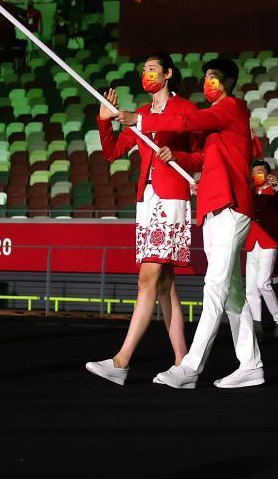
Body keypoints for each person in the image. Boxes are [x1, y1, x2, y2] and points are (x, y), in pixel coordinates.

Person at [113, 57, 262, 389]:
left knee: (214, 288)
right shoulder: (216, 127)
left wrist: (139, 118)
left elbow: (186, 121)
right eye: (206, 77)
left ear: (230, 82)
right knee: (233, 293)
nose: (208, 82)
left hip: (231, 207)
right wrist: (188, 169)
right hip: (213, 207)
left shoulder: (231, 108)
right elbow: (209, 163)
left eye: (215, 78)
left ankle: (190, 366)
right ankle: (251, 364)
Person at [85, 53, 202, 385]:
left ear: (168, 74)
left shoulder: (186, 111)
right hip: (147, 200)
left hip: (173, 198)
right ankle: (183, 363)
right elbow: (112, 153)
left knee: (147, 280)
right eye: (144, 69)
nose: (146, 74)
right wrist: (104, 121)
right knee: (164, 285)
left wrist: (177, 156)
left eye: (152, 69)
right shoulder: (140, 114)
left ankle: (121, 361)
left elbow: (201, 154)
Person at [244, 159, 278, 338]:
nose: (257, 175)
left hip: (269, 242)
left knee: (263, 282)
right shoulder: (250, 193)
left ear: (268, 173)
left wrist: (276, 187)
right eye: (254, 172)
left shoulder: (274, 191)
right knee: (250, 289)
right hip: (251, 242)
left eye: (260, 172)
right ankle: (257, 326)